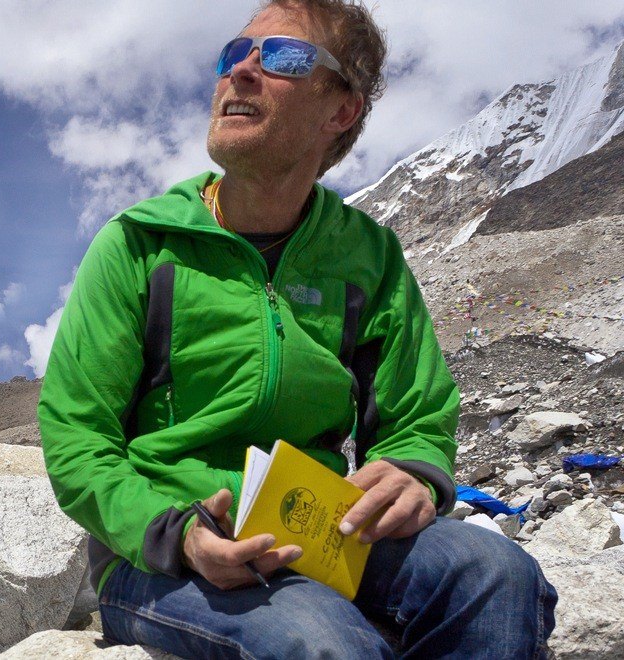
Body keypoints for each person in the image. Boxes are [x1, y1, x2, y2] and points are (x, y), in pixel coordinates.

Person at [36, 1, 558, 657]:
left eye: (280, 56)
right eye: (234, 55)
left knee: (500, 574)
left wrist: (411, 472)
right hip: (163, 552)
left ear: (341, 110)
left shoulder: (368, 258)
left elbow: (416, 412)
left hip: (318, 528)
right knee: (319, 638)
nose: (242, 71)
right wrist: (173, 532)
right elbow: (77, 433)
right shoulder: (141, 246)